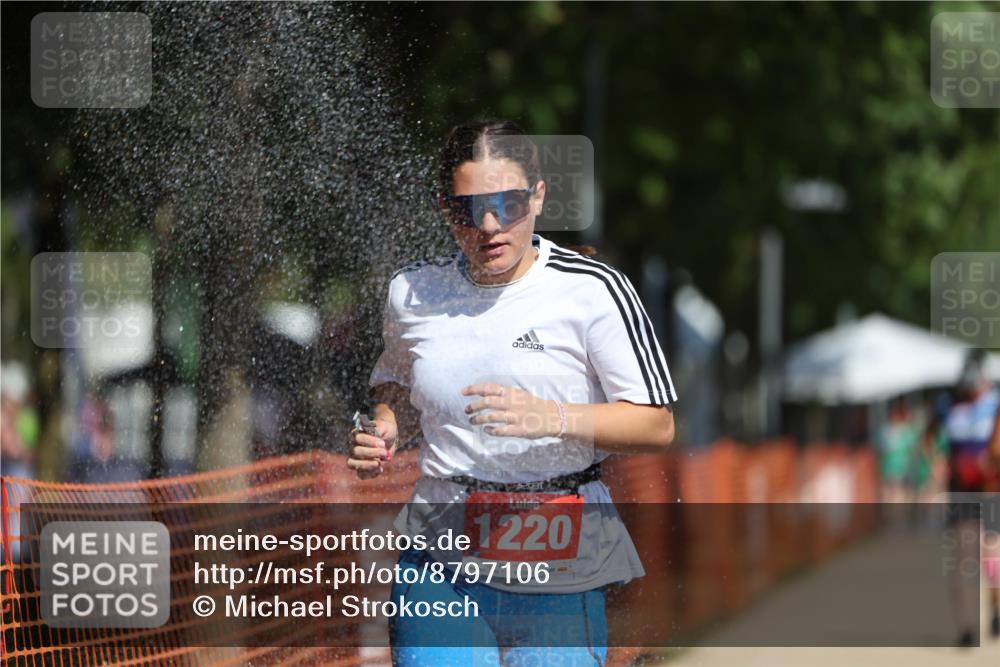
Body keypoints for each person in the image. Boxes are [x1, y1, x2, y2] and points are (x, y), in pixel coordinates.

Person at [347, 119, 676, 666]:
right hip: (439, 557)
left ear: (539, 196)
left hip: (559, 560)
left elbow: (656, 424)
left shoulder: (590, 290)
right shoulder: (413, 292)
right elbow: (399, 384)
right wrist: (382, 424)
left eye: (509, 204)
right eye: (468, 210)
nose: (491, 226)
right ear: (444, 209)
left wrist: (553, 416)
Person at [938, 350, 1000, 646]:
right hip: (961, 489)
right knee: (963, 557)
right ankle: (966, 627)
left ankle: (996, 607)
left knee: (991, 553)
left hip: (991, 489)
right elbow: (939, 445)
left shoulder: (995, 404)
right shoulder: (951, 405)